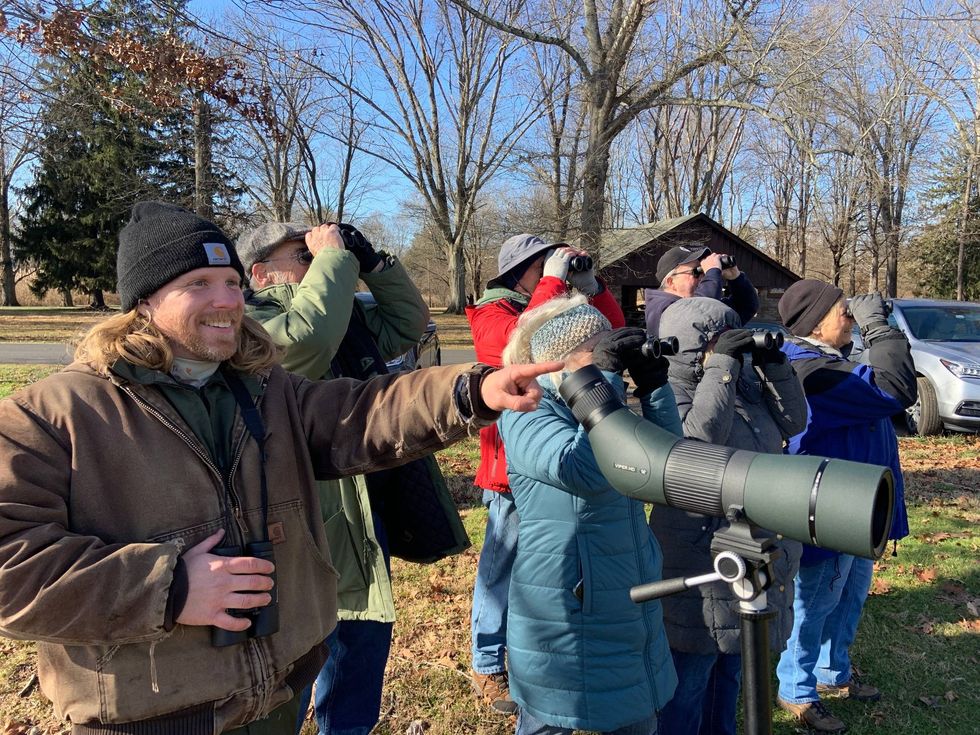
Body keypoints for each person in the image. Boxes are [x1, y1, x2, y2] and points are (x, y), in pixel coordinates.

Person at [0, 201, 558, 735]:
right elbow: (11, 565)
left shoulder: (264, 390)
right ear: (143, 302)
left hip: (275, 698)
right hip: (150, 715)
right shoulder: (50, 415)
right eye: (198, 285)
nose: (226, 301)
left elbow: (360, 411)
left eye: (232, 285)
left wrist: (473, 389)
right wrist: (167, 588)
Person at [237, 220, 467, 735]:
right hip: (301, 514)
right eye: (302, 254)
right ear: (260, 273)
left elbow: (409, 323)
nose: (317, 257)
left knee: (362, 637)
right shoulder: (250, 322)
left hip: (366, 505)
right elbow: (303, 343)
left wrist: (375, 263)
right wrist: (336, 263)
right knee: (299, 651)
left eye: (316, 251)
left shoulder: (343, 310)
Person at [496, 294, 679, 735]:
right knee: (550, 716)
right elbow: (584, 471)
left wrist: (654, 388)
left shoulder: (605, 406)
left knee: (635, 712)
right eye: (595, 350)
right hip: (564, 604)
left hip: (626, 586)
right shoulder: (528, 411)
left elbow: (667, 464)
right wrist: (607, 378)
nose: (604, 359)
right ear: (560, 362)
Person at [464, 234, 625, 713]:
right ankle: (487, 661)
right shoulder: (491, 314)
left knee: (549, 569)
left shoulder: (556, 299)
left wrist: (592, 287)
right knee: (502, 564)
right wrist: (553, 280)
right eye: (543, 266)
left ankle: (543, 653)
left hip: (571, 446)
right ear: (521, 270)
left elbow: (609, 339)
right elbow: (521, 349)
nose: (553, 274)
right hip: (512, 464)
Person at [650, 297, 808, 735]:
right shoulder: (668, 390)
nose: (732, 350)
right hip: (699, 551)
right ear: (689, 344)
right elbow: (698, 443)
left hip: (749, 544)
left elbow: (795, 421)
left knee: (733, 673)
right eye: (719, 341)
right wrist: (721, 366)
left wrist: (775, 364)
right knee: (690, 678)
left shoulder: (745, 383)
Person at [774, 280, 916, 733]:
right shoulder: (811, 372)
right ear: (816, 323)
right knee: (815, 600)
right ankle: (796, 688)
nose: (851, 317)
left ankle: (833, 671)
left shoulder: (833, 363)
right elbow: (894, 389)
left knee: (850, 592)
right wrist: (880, 326)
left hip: (858, 504)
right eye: (844, 311)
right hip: (829, 507)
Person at [644, 244, 759, 335]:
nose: (704, 277)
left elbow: (746, 307)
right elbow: (699, 312)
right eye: (696, 272)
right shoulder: (660, 307)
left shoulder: (701, 302)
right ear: (671, 282)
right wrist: (713, 271)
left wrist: (735, 277)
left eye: (704, 271)